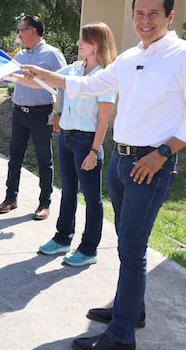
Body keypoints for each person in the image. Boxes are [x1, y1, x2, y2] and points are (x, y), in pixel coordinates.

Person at [22, 0, 186, 350]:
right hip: (122, 162)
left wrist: (161, 154)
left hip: (150, 164)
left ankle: (122, 335)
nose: (145, 21)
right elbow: (89, 85)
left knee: (132, 246)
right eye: (139, 13)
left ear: (170, 17)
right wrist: (42, 76)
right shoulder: (129, 58)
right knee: (126, 246)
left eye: (153, 14)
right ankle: (131, 311)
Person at [14, 22, 117, 266]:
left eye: (84, 40)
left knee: (92, 199)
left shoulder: (105, 77)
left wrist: (94, 151)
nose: (78, 43)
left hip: (86, 141)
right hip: (67, 138)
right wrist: (14, 74)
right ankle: (62, 238)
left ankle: (89, 249)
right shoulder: (74, 69)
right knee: (68, 192)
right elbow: (41, 81)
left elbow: (104, 119)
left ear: (97, 45)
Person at [0, 15, 66, 220]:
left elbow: (64, 85)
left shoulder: (52, 54)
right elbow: (6, 77)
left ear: (33, 31)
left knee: (44, 160)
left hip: (41, 114)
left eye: (22, 30)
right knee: (14, 158)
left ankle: (45, 203)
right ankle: (10, 198)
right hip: (19, 113)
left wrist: (59, 112)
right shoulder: (21, 55)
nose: (19, 34)